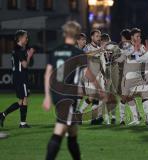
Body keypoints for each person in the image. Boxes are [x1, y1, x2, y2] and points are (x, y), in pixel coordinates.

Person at [42, 20, 104, 160]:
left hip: (57, 94)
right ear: (76, 35)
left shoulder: (56, 50)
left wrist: (47, 96)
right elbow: (89, 74)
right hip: (68, 95)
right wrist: (99, 89)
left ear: (64, 33)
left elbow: (47, 74)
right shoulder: (77, 53)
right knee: (59, 130)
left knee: (73, 132)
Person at [0, 30, 34, 128]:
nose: (27, 39)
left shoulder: (16, 50)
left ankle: (3, 115)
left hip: (17, 76)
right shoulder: (20, 50)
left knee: (21, 101)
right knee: (25, 99)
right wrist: (29, 56)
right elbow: (24, 65)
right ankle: (23, 123)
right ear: (20, 38)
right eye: (25, 37)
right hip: (21, 77)